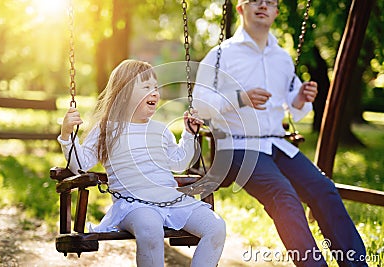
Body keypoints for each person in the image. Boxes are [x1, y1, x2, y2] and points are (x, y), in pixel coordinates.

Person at [193, 0, 367, 266]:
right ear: (241, 8)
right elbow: (199, 105)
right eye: (256, 1)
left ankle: (356, 264)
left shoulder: (282, 58)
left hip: (277, 144)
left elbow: (294, 104)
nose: (263, 5)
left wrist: (300, 98)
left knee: (324, 189)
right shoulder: (222, 55)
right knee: (283, 195)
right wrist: (240, 99)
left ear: (275, 12)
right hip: (238, 146)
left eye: (270, 2)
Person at [58, 59, 226, 267]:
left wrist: (189, 135)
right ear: (124, 93)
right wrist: (67, 136)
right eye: (146, 87)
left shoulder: (160, 130)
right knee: (150, 227)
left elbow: (179, 163)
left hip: (171, 201)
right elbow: (80, 166)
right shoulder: (107, 129)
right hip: (133, 205)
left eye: (156, 88)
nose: (155, 92)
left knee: (216, 227)